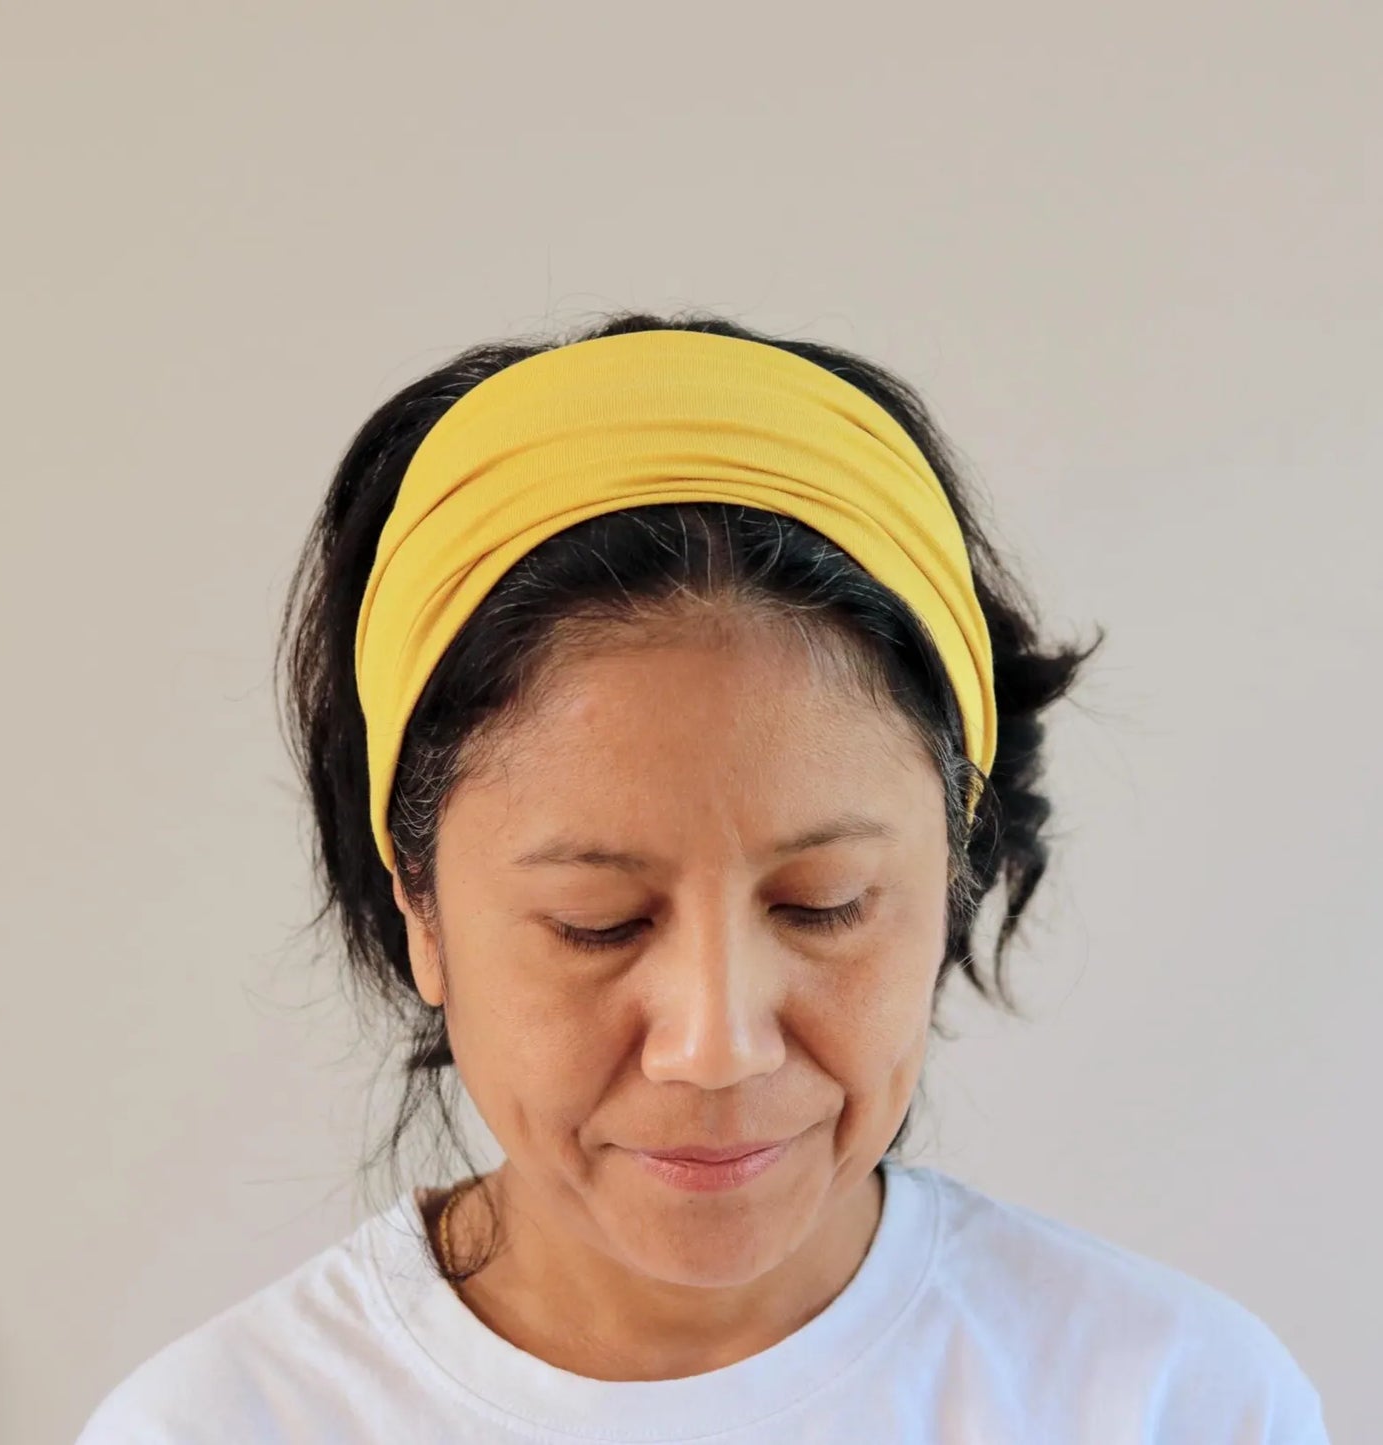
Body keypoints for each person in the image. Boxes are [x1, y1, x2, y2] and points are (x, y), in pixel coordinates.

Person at [75, 312, 1330, 1443]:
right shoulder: (221, 1424)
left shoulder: (1175, 1401)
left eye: (823, 902)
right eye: (596, 922)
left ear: (953, 864)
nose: (714, 1044)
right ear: (420, 906)